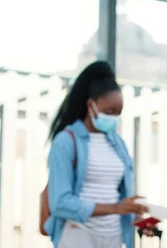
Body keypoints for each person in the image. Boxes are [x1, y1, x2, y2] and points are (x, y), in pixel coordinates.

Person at [43, 61, 155, 248]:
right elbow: (60, 202)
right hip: (78, 236)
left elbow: (118, 195)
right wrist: (115, 208)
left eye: (118, 113)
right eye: (108, 111)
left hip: (114, 236)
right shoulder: (66, 141)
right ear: (90, 105)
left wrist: (138, 218)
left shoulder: (118, 144)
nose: (113, 118)